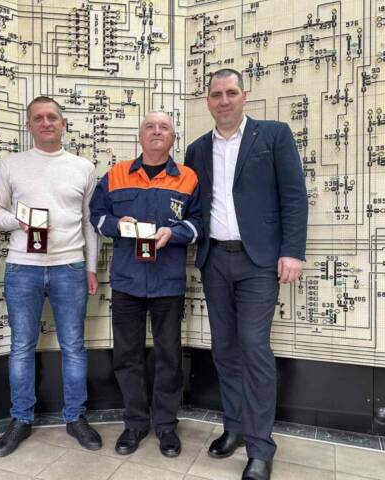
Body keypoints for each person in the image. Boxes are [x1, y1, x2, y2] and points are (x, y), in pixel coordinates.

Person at [184, 68, 308, 480]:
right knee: (224, 348)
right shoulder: (197, 149)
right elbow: (194, 206)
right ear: (208, 100)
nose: (224, 100)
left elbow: (294, 196)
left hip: (259, 262)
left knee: (253, 347)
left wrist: (292, 251)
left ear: (244, 95)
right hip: (215, 260)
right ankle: (234, 427)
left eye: (231, 92)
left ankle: (260, 447)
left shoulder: (273, 135)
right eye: (216, 94)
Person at [0, 96, 101, 457]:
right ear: (29, 125)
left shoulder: (83, 167)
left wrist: (91, 267)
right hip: (23, 269)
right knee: (21, 346)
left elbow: (90, 223)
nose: (46, 123)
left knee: (73, 346)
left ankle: (75, 416)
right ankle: (21, 418)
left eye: (52, 117)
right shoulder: (12, 165)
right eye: (38, 118)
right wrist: (16, 222)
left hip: (70, 268)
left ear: (63, 124)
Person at [89, 112, 203, 457]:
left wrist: (175, 233)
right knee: (127, 355)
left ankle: (166, 425)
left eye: (164, 127)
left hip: (168, 282)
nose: (156, 131)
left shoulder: (188, 178)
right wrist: (115, 224)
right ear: (140, 136)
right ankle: (135, 423)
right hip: (127, 281)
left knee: (169, 355)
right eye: (150, 127)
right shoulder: (116, 174)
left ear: (173, 138)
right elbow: (96, 215)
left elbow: (199, 222)